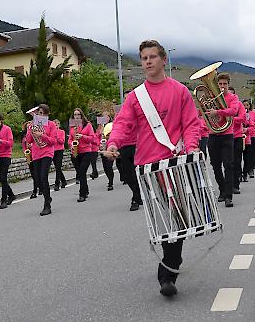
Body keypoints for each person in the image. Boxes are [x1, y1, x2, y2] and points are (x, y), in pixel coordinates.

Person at [106, 40, 199, 297]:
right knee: (161, 220)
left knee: (178, 217)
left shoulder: (180, 91)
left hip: (177, 161)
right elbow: (123, 124)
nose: (147, 62)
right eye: (144, 58)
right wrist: (114, 142)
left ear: (163, 60)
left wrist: (191, 147)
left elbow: (191, 124)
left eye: (152, 57)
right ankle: (168, 269)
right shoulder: (136, 97)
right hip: (148, 166)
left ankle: (169, 270)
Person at [206, 72, 240, 208]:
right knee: (215, 165)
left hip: (227, 134)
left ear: (228, 84)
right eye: (219, 84)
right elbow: (204, 112)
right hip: (213, 134)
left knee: (228, 165)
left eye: (224, 84)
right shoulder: (211, 97)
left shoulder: (233, 97)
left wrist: (218, 112)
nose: (222, 86)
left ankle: (228, 196)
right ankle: (222, 190)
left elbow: (233, 111)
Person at [25, 104, 57, 215]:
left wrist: (41, 135)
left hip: (47, 153)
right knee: (38, 180)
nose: (40, 115)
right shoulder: (33, 125)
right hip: (36, 154)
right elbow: (29, 140)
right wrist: (30, 130)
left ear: (47, 114)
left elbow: (53, 141)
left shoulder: (51, 124)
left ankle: (47, 205)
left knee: (44, 177)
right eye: (39, 113)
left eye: (42, 113)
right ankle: (48, 197)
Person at [68, 108, 96, 202]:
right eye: (75, 115)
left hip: (86, 152)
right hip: (75, 152)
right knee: (80, 173)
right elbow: (70, 139)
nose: (76, 116)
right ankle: (86, 190)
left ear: (81, 115)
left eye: (78, 114)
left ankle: (82, 194)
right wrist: (71, 143)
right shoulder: (72, 127)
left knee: (82, 172)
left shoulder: (87, 125)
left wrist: (82, 136)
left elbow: (92, 138)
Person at [0, 111, 16, 209]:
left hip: (6, 155)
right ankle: (12, 195)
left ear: (1, 120)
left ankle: (3, 200)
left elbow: (10, 143)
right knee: (1, 179)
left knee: (3, 177)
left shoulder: (7, 129)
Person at [228, 86, 246, 195]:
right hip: (225, 136)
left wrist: (228, 118)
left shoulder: (239, 104)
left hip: (237, 136)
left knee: (237, 161)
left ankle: (235, 185)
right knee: (227, 163)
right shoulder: (221, 105)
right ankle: (227, 186)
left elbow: (242, 119)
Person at [52, 119, 68, 191]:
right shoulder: (51, 132)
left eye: (57, 124)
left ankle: (57, 184)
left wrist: (57, 136)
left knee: (58, 167)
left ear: (59, 125)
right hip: (53, 151)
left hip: (60, 150)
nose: (56, 125)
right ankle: (64, 181)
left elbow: (62, 141)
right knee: (57, 167)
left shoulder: (62, 132)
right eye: (55, 124)